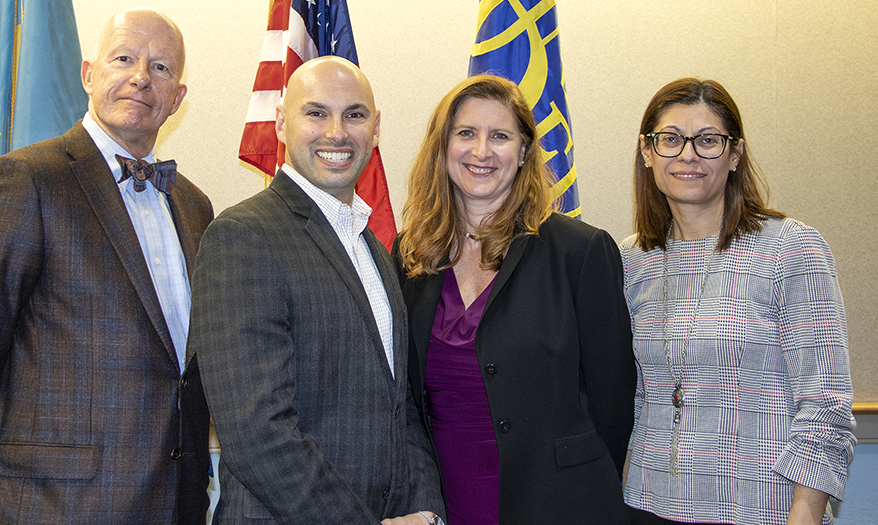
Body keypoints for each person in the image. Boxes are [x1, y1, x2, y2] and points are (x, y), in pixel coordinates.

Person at [0, 9, 213, 525]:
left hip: (174, 505)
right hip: (52, 508)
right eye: (124, 58)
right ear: (88, 74)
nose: (141, 75)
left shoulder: (194, 207)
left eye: (161, 68)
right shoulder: (24, 181)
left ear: (177, 98)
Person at [191, 56, 445, 525]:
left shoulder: (373, 245)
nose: (337, 132)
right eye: (315, 113)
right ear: (281, 123)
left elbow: (401, 402)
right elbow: (257, 431)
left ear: (376, 127)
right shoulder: (243, 236)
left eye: (354, 114)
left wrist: (427, 511)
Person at [395, 74, 635, 524]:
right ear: (443, 146)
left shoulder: (579, 253)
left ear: (524, 151)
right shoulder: (411, 255)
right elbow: (404, 400)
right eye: (466, 133)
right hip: (445, 501)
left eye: (500, 136)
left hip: (558, 503)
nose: (481, 151)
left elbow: (614, 406)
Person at [621, 78, 856, 525]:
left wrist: (804, 518)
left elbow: (825, 405)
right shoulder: (630, 261)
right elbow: (630, 398)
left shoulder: (790, 249)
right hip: (648, 506)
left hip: (761, 509)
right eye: (670, 139)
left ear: (735, 154)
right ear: (647, 152)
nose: (687, 154)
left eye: (708, 140)